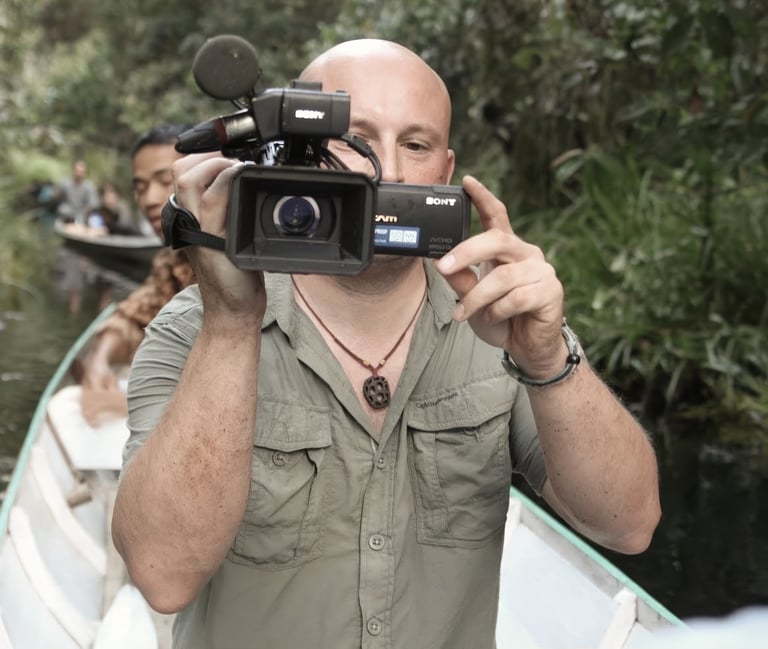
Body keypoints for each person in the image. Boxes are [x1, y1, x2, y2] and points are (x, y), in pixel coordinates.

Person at [111, 40, 662, 649]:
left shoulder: (497, 317)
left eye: (415, 145)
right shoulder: (193, 328)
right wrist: (232, 324)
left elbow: (629, 524)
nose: (388, 173)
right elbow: (162, 575)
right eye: (355, 141)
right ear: (292, 153)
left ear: (445, 173)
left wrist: (548, 360)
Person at [79, 124, 196, 421]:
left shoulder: (249, 266)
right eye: (140, 188)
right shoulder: (172, 259)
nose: (149, 199)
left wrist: (129, 407)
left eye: (165, 181)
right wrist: (100, 360)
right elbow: (134, 316)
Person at [55, 159, 100, 224]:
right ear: (73, 170)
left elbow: (94, 203)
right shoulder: (64, 183)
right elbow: (56, 197)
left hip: (82, 211)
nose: (79, 174)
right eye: (77, 171)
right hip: (67, 209)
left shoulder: (89, 186)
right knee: (62, 209)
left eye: (81, 171)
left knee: (92, 217)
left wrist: (86, 211)